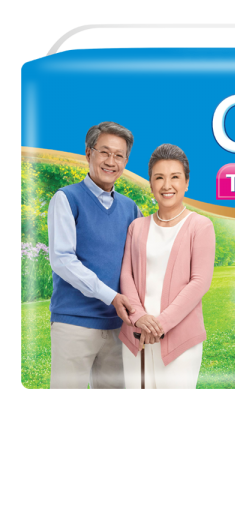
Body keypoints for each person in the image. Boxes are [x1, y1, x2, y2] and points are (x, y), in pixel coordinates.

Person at [49, 122, 143, 390]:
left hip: (118, 326)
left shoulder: (130, 208)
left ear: (125, 162)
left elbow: (140, 262)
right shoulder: (66, 199)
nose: (111, 161)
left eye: (119, 155)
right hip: (74, 324)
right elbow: (63, 259)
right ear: (89, 153)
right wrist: (111, 296)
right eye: (105, 152)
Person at [119, 145, 216, 390]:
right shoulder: (137, 227)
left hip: (180, 340)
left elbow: (200, 282)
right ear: (151, 184)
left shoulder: (200, 226)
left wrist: (159, 324)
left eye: (175, 177)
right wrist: (139, 318)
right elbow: (126, 275)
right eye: (159, 177)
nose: (167, 185)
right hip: (136, 336)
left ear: (187, 183)